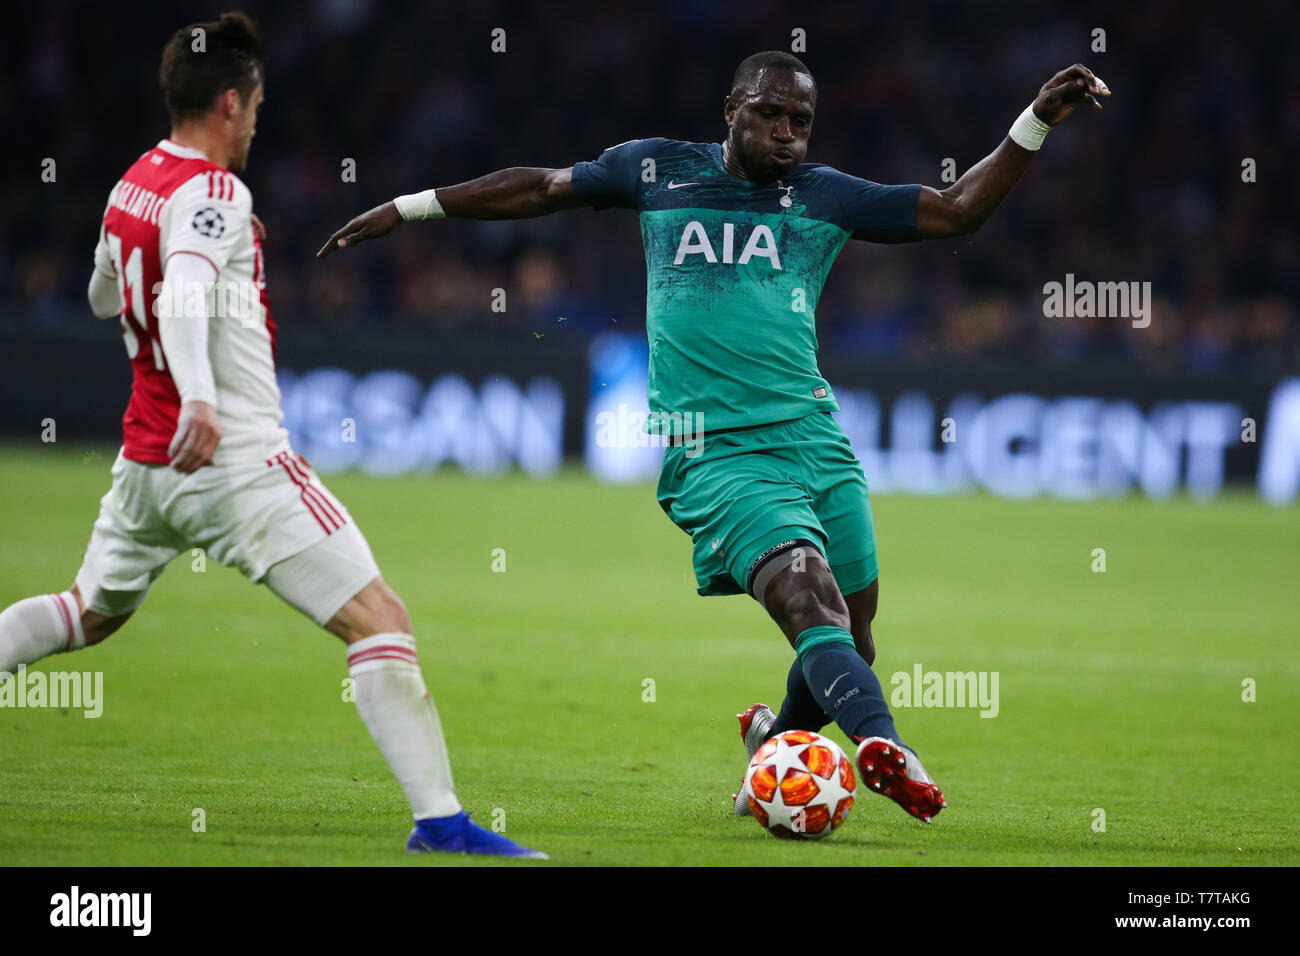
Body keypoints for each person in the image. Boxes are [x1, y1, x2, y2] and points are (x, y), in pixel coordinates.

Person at [317, 50, 1108, 823]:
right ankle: (887, 749)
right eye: (769, 114)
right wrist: (409, 206)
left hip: (816, 440)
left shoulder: (825, 195)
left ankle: (775, 744)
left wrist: (1036, 119)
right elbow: (539, 188)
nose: (787, 133)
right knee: (807, 598)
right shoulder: (658, 170)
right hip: (715, 454)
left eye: (801, 120)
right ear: (731, 112)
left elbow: (959, 208)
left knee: (852, 641)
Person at [0, 11, 545, 859]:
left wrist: (171, 376)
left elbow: (106, 298)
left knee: (85, 614)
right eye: (253, 107)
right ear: (228, 102)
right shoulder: (214, 191)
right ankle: (442, 825)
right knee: (381, 621)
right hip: (232, 458)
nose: (256, 122)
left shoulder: (132, 181)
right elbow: (182, 290)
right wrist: (202, 399)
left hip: (145, 464)